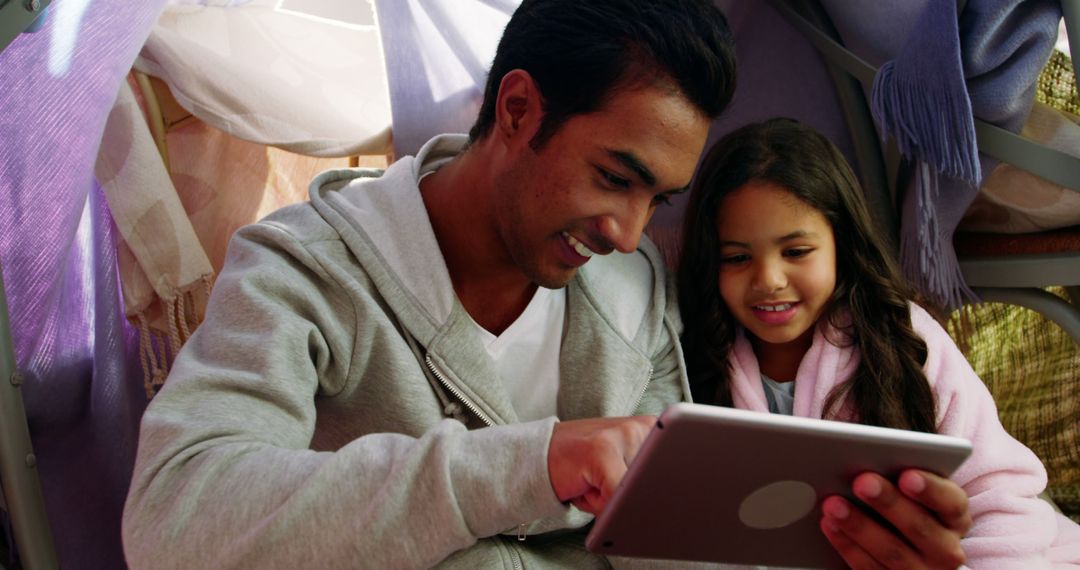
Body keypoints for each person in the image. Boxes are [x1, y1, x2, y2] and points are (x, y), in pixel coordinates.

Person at [122, 2, 973, 568]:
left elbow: (669, 549)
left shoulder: (634, 297)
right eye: (615, 176)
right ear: (520, 109)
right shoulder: (303, 275)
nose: (630, 235)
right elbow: (172, 518)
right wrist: (533, 462)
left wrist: (853, 547)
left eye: (658, 200)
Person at [678, 117, 1080, 567]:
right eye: (736, 257)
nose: (768, 280)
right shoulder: (694, 357)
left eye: (796, 252)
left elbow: (995, 492)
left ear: (842, 245)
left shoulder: (903, 337)